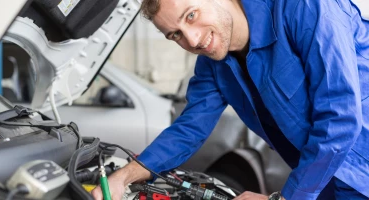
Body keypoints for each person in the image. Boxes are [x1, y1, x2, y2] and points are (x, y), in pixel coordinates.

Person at [92, 0, 369, 199]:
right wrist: (125, 176)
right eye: (175, 34)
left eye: (190, 15)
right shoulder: (214, 63)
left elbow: (340, 117)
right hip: (320, 178)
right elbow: (190, 128)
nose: (193, 40)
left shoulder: (304, 7)